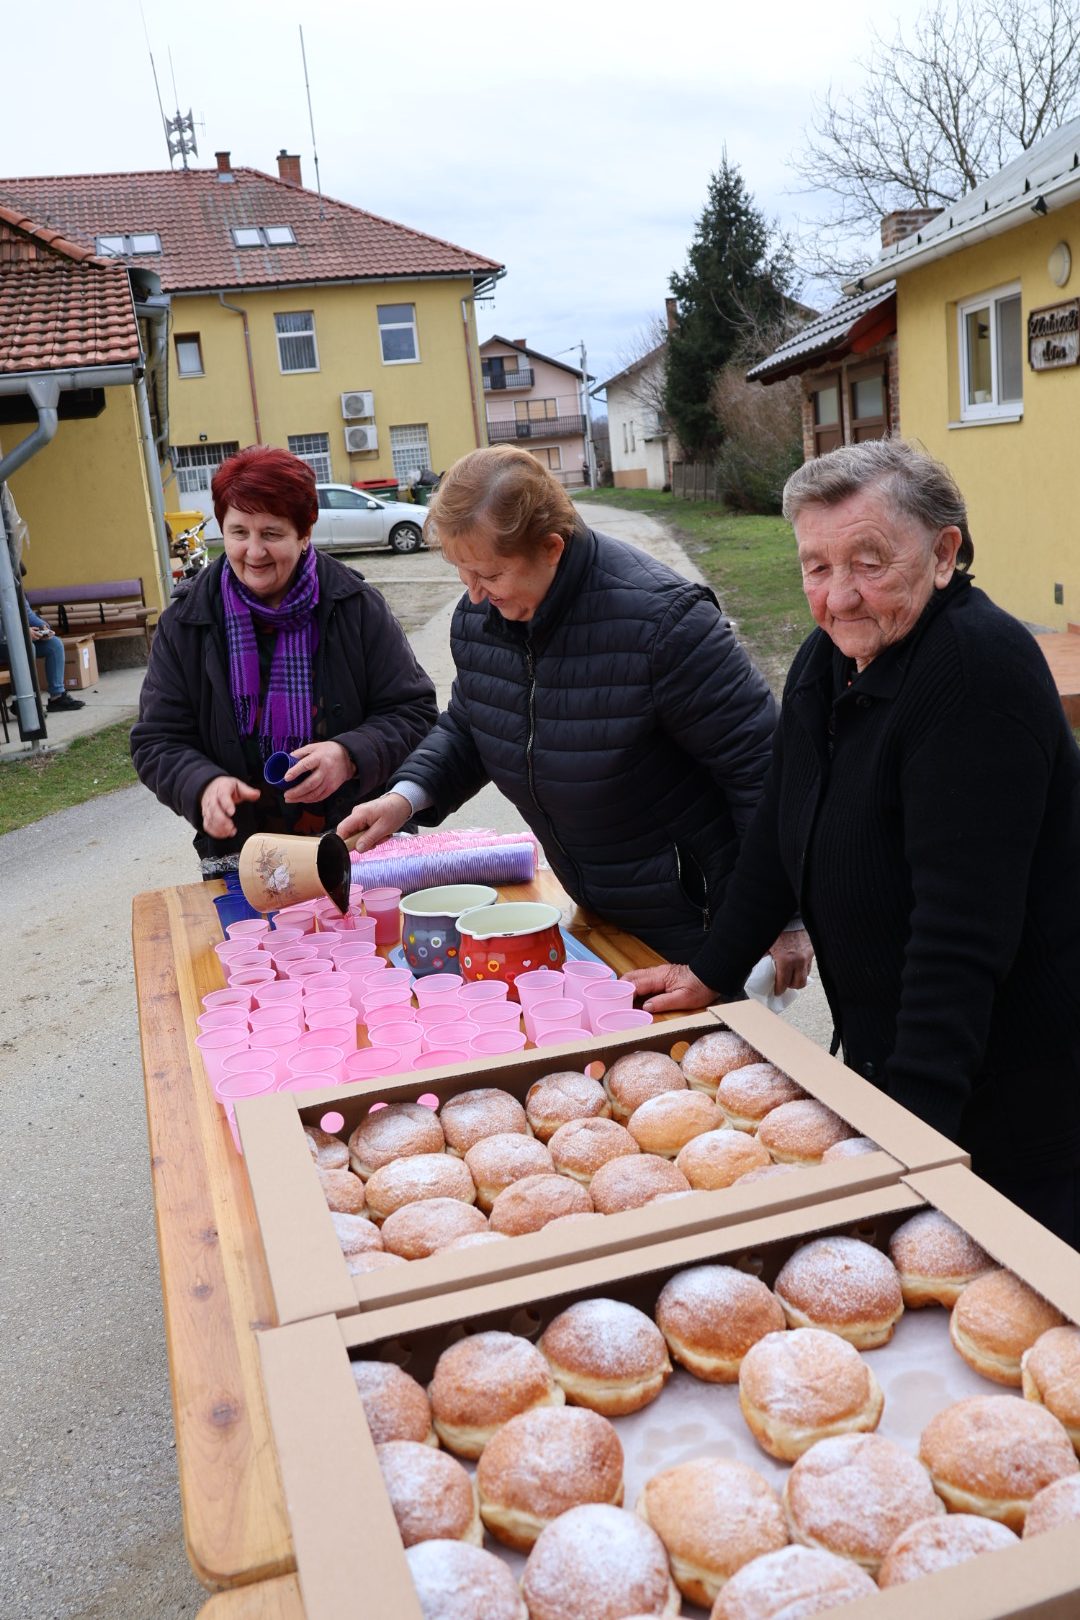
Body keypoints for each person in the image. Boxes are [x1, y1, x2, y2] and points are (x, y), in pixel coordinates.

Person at [627, 439, 1080, 1246]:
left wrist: (909, 1142)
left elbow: (960, 934)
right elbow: (779, 824)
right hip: (902, 1061)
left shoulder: (975, 675)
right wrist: (713, 967)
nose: (839, 597)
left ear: (944, 553)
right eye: (815, 566)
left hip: (1016, 1087)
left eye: (869, 562)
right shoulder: (828, 659)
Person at [336, 444, 811, 981]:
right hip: (597, 910)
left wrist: (784, 917)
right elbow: (475, 720)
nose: (472, 595)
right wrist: (405, 798)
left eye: (488, 574)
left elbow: (763, 773)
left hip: (698, 920)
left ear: (551, 548)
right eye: (461, 572)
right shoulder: (483, 616)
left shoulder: (664, 624)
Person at [131, 445, 438, 873]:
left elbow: (414, 712)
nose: (253, 552)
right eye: (239, 533)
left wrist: (348, 754)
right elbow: (156, 741)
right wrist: (202, 785)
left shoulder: (355, 606)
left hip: (358, 848)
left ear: (304, 532)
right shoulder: (187, 622)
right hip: (245, 858)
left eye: (271, 534)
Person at [0, 600, 84, 712]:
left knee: (54, 644)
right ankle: (22, 701)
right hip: (3, 643)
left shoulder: (14, 584)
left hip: (16, 640)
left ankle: (57, 698)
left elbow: (28, 614)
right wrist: (23, 630)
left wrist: (44, 627)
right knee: (28, 648)